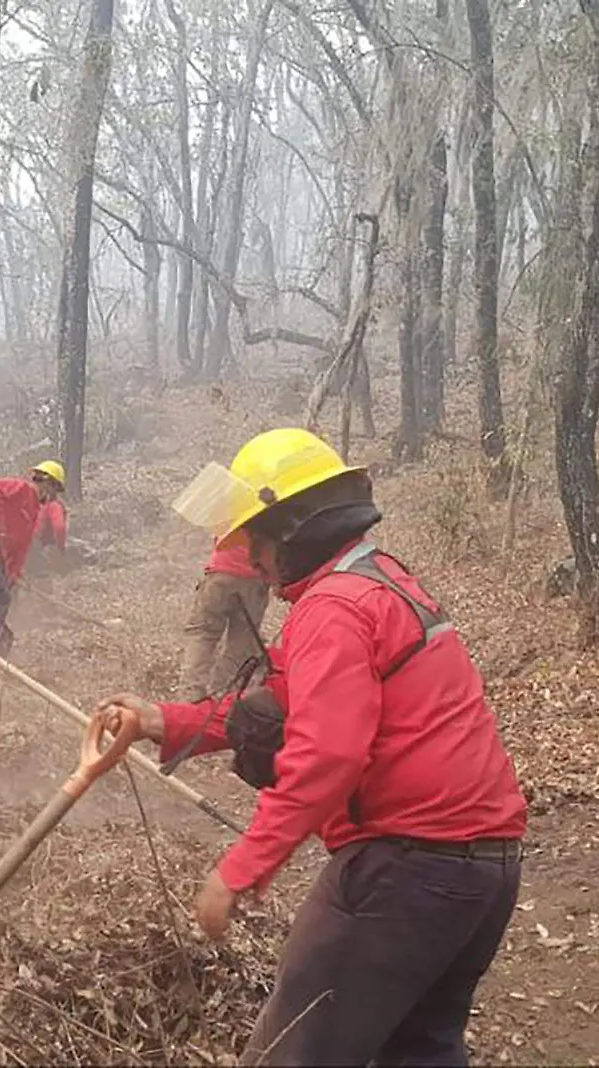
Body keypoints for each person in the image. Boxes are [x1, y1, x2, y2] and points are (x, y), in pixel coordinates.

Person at [95, 427, 527, 1067]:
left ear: (294, 528)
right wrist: (166, 721)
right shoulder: (381, 582)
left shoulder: (335, 609)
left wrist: (242, 868)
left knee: (292, 1055)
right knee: (420, 1050)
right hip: (484, 871)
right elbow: (280, 709)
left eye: (256, 543)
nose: (252, 561)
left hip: (406, 871)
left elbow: (327, 753)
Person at [0, 458, 62, 655]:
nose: (53, 497)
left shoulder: (34, 510)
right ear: (45, 482)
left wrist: (13, 575)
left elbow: (20, 547)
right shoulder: (21, 488)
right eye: (54, 489)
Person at [178, 536, 271, 700]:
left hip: (220, 574)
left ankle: (191, 695)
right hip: (255, 579)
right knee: (241, 642)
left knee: (202, 635)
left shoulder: (228, 511)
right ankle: (221, 694)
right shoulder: (272, 512)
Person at [32, 460, 69, 555]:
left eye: (40, 480)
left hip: (41, 554)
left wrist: (60, 551)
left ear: (53, 485)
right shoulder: (35, 504)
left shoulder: (54, 506)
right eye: (35, 479)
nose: (36, 484)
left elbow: (59, 528)